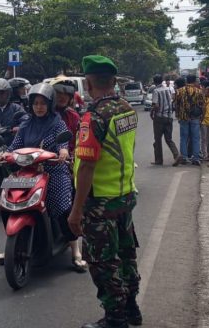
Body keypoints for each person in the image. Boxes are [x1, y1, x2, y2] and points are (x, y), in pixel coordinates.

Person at [69, 55, 141, 328]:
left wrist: (76, 211)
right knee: (126, 254)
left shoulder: (94, 117)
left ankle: (115, 318)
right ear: (113, 81)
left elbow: (86, 167)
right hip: (125, 196)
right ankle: (132, 308)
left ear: (88, 83)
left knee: (103, 262)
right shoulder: (126, 109)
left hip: (100, 203)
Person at [0, 83, 75, 267]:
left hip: (53, 170)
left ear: (50, 104)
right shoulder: (26, 123)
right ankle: (13, 246)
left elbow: (62, 141)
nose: (39, 107)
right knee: (6, 203)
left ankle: (76, 251)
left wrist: (62, 152)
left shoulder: (57, 122)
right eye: (36, 103)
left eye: (43, 103)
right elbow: (16, 145)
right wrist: (4, 154)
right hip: (27, 172)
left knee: (62, 207)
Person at [51, 76, 88, 272]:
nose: (61, 98)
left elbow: (80, 140)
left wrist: (72, 155)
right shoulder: (42, 114)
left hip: (65, 164)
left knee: (68, 204)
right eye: (58, 95)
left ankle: (76, 250)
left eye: (65, 95)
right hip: (42, 164)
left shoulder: (73, 117)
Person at [150, 74, 181, 166]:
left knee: (158, 139)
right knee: (168, 139)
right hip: (169, 117)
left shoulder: (156, 91)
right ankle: (176, 155)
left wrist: (151, 112)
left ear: (154, 82)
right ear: (162, 80)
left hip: (159, 118)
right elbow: (173, 100)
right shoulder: (168, 89)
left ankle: (159, 160)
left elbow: (156, 105)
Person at [174, 75, 205, 165]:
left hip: (183, 118)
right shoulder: (199, 91)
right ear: (194, 81)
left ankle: (184, 157)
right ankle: (195, 158)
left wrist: (178, 116)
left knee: (183, 138)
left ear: (186, 81)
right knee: (195, 138)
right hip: (195, 118)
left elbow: (176, 105)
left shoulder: (180, 91)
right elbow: (202, 105)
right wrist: (201, 116)